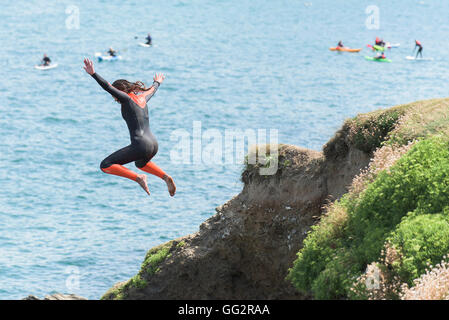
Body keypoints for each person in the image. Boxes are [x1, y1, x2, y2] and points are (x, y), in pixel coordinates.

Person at [82, 58, 176, 197]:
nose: (115, 99)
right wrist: (157, 82)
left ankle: (138, 178)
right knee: (140, 163)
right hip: (153, 145)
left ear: (120, 92)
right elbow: (152, 90)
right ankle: (165, 177)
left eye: (116, 96)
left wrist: (93, 74)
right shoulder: (143, 98)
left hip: (141, 145)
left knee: (105, 165)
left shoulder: (126, 99)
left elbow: (107, 86)